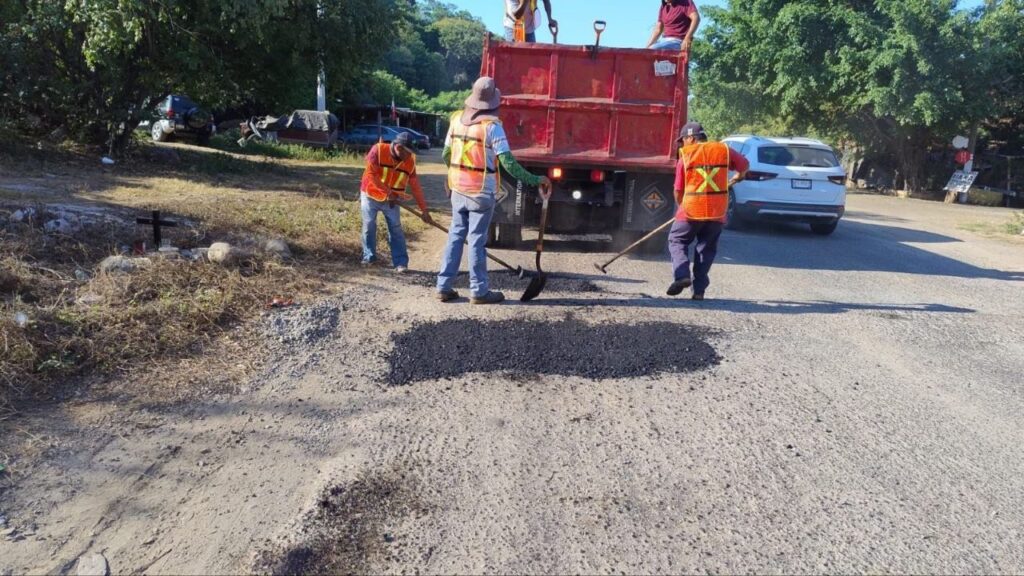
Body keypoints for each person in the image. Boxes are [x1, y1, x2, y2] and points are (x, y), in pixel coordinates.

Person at [437, 76, 552, 305]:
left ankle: (443, 287)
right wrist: (535, 178)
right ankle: (479, 291)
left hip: (458, 188)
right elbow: (508, 163)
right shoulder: (493, 127)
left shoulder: (456, 120)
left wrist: (451, 175)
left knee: (455, 236)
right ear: (493, 103)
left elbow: (445, 154)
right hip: (480, 191)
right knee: (477, 239)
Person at [667, 121, 748, 300]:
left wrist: (682, 206)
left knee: (677, 240)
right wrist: (739, 176)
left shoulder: (686, 156)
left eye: (683, 140)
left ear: (690, 138)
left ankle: (682, 276)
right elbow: (744, 165)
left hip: (691, 211)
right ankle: (699, 291)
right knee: (706, 248)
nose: (682, 144)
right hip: (716, 212)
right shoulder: (724, 150)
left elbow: (678, 190)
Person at [359, 131, 433, 273]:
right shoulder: (378, 150)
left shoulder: (409, 161)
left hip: (393, 201)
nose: (410, 156)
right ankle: (369, 257)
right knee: (369, 225)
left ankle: (400, 263)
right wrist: (388, 192)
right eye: (408, 152)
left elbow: (415, 186)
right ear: (398, 148)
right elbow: (370, 175)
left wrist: (424, 210)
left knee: (396, 228)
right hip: (370, 194)